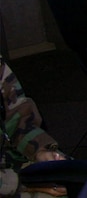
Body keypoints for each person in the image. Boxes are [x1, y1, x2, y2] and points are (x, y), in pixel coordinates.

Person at [1, 57, 67, 198]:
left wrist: (40, 151)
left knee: (82, 180)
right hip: (8, 183)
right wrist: (23, 184)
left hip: (10, 163)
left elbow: (17, 118)